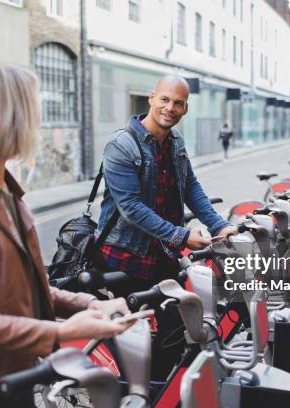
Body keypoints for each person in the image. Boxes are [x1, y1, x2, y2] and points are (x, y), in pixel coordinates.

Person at [0, 63, 134, 408]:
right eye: (32, 110)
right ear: (9, 116)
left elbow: (21, 289)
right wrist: (62, 331)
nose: (37, 123)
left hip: (14, 371)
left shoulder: (4, 187)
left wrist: (90, 304)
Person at [96, 75, 238, 378]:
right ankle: (132, 391)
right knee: (137, 341)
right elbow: (131, 207)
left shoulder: (175, 142)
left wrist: (219, 225)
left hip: (161, 256)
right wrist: (182, 235)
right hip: (127, 257)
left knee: (174, 333)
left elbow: (191, 188)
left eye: (178, 103)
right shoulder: (121, 145)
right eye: (164, 99)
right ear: (151, 98)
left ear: (185, 108)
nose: (170, 107)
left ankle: (157, 392)